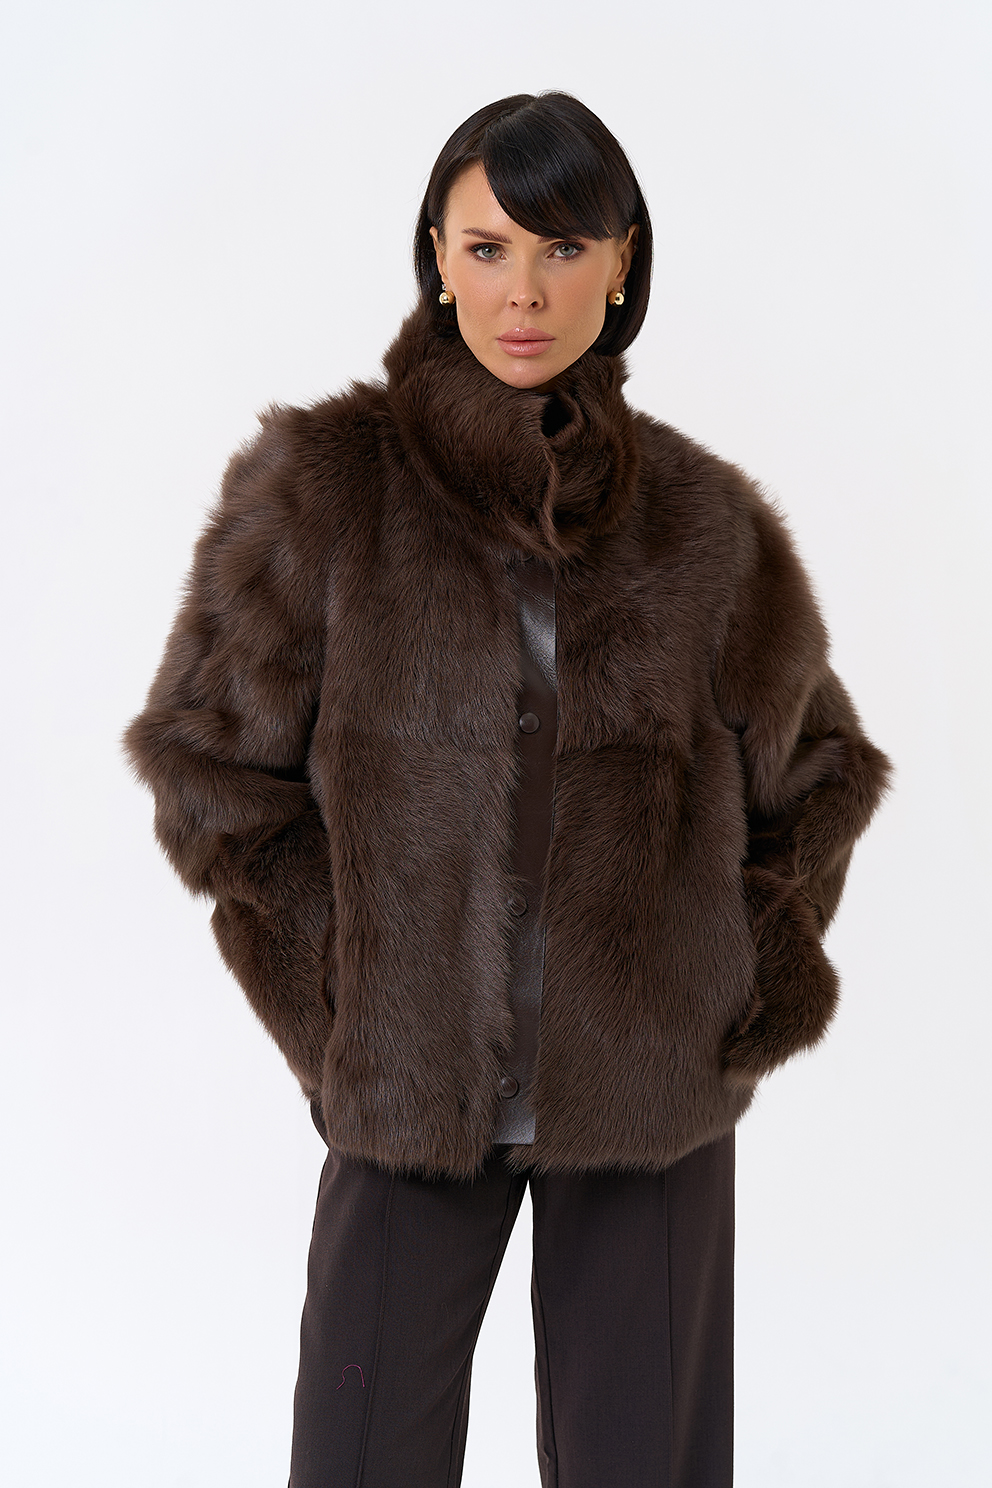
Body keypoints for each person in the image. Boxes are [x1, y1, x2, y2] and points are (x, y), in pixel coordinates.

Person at [124, 92, 891, 1488]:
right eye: (487, 248)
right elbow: (208, 771)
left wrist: (734, 992)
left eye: (561, 248)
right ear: (436, 253)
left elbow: (819, 773)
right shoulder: (324, 491)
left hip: (647, 1104)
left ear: (622, 262)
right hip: (409, 1097)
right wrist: (343, 1004)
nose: (522, 291)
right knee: (362, 1455)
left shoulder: (705, 522)